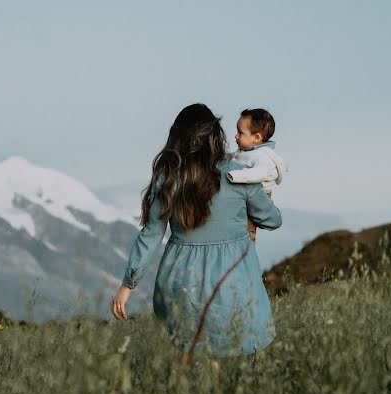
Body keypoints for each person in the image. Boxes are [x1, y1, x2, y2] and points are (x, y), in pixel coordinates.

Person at [110, 103, 282, 357]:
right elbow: (272, 220)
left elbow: (151, 236)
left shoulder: (167, 178)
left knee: (187, 366)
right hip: (233, 280)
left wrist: (127, 285)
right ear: (215, 137)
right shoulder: (240, 176)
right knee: (236, 365)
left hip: (181, 282)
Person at [226, 108, 288, 243]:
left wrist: (234, 176)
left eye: (240, 133)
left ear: (257, 137)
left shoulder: (263, 155)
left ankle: (247, 254)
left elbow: (259, 173)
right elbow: (233, 159)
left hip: (259, 195)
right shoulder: (245, 150)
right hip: (246, 192)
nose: (236, 136)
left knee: (247, 228)